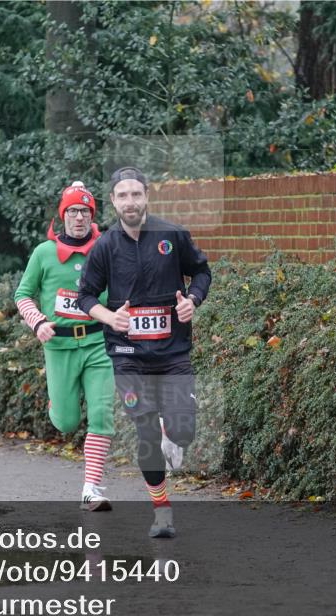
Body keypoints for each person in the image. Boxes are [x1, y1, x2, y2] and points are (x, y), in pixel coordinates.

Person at [77, 166, 212, 538]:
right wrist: (109, 317)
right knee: (146, 432)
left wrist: (193, 302)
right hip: (127, 354)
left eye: (136, 194)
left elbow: (201, 273)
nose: (130, 202)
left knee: (183, 432)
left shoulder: (171, 235)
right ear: (114, 202)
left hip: (172, 353)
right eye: (123, 196)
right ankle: (162, 512)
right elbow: (85, 295)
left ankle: (174, 430)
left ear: (147, 196)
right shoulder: (105, 245)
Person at [14, 181, 115, 511]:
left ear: (92, 216)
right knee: (68, 422)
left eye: (85, 211)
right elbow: (23, 294)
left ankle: (91, 487)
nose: (79, 218)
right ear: (62, 216)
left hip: (99, 342)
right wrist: (38, 322)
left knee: (102, 413)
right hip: (59, 346)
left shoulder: (108, 248)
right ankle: (57, 406)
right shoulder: (44, 253)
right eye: (72, 211)